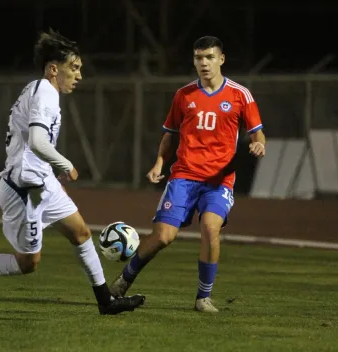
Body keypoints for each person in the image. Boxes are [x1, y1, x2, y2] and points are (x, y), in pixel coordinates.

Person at [0, 30, 145, 315]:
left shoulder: (40, 90)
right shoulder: (45, 92)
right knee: (28, 263)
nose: (79, 75)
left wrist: (51, 173)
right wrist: (66, 165)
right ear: (53, 69)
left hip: (39, 181)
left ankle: (105, 302)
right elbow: (37, 142)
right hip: (24, 190)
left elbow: (31, 143)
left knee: (81, 233)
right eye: (73, 68)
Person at [108, 36, 266, 313]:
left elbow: (257, 131)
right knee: (163, 237)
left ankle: (202, 298)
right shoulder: (184, 95)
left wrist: (258, 142)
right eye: (198, 58)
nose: (203, 63)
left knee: (210, 227)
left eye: (209, 57)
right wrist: (159, 163)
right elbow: (169, 135)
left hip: (219, 181)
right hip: (184, 176)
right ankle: (123, 281)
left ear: (221, 59)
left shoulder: (240, 95)